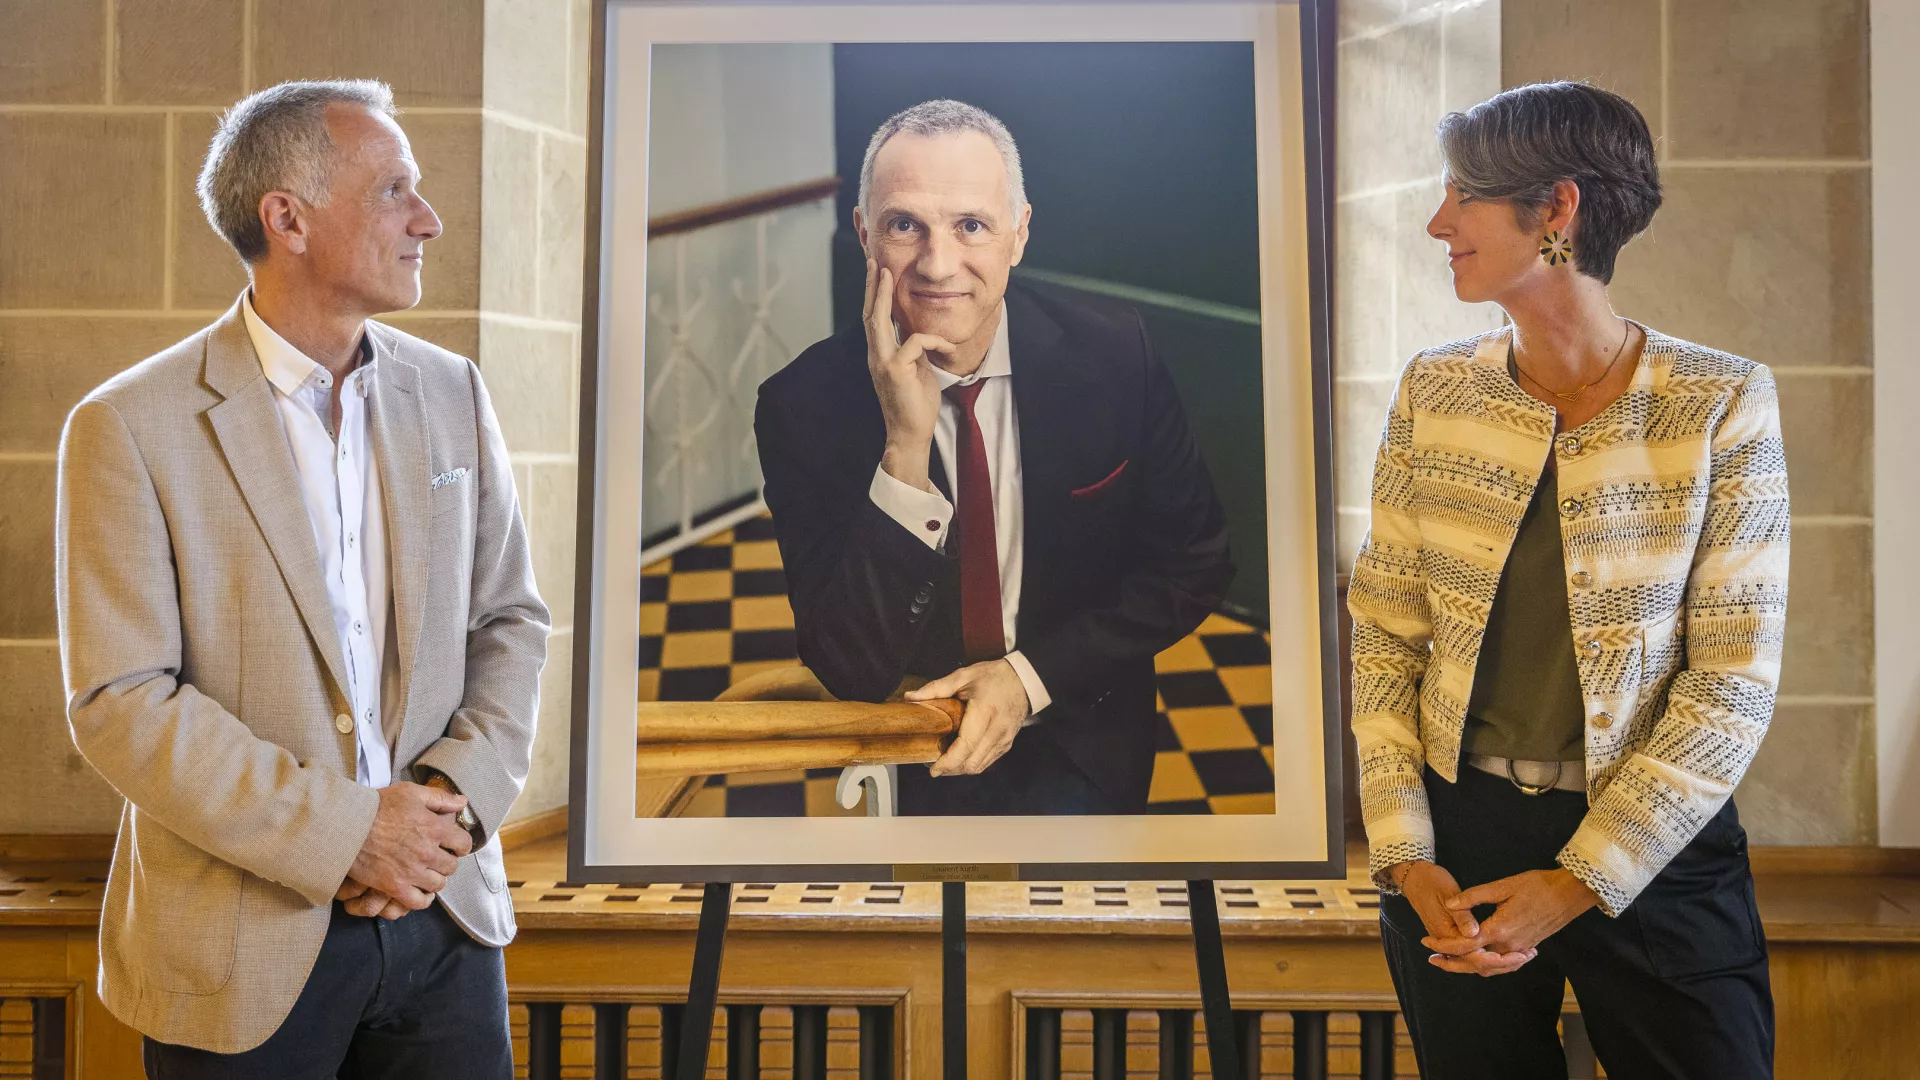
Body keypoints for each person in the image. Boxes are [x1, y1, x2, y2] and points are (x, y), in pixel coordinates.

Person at [55, 80, 549, 1078]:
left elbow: (511, 621)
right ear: (288, 218)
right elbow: (122, 701)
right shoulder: (128, 426)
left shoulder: (451, 392)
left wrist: (447, 807)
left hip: (445, 916)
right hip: (239, 946)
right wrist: (348, 834)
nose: (427, 219)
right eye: (394, 190)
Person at [1348, 80, 1787, 1079]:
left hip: (1661, 848)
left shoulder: (1721, 401)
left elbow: (1733, 683)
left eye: (1464, 195)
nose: (1438, 223)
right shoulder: (1434, 391)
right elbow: (1384, 638)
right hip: (1456, 843)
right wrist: (1406, 854)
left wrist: (1580, 880)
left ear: (1556, 209)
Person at [755, 99, 1234, 816]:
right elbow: (849, 666)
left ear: (1019, 233)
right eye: (904, 225)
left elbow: (1194, 565)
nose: (938, 264)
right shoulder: (800, 405)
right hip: (912, 753)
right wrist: (905, 450)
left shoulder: (1115, 356)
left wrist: (1024, 680)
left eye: (971, 225)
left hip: (1083, 738)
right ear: (863, 235)